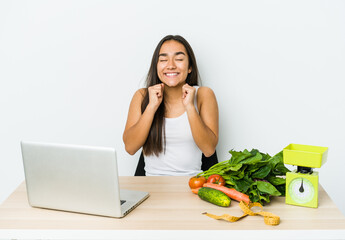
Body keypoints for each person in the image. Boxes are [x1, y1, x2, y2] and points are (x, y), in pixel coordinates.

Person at [123, 35, 219, 176]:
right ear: (156, 66)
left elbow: (209, 149)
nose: (171, 65)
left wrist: (190, 108)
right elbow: (130, 148)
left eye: (179, 59)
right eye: (163, 60)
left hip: (192, 186)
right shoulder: (142, 96)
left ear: (190, 67)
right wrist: (151, 107)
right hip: (150, 187)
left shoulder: (204, 94)